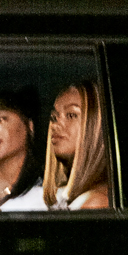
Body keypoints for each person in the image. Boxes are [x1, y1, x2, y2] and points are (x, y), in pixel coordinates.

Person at [43, 80, 110, 209]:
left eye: (71, 115)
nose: (55, 125)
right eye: (54, 117)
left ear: (97, 125)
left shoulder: (96, 202)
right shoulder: (65, 196)